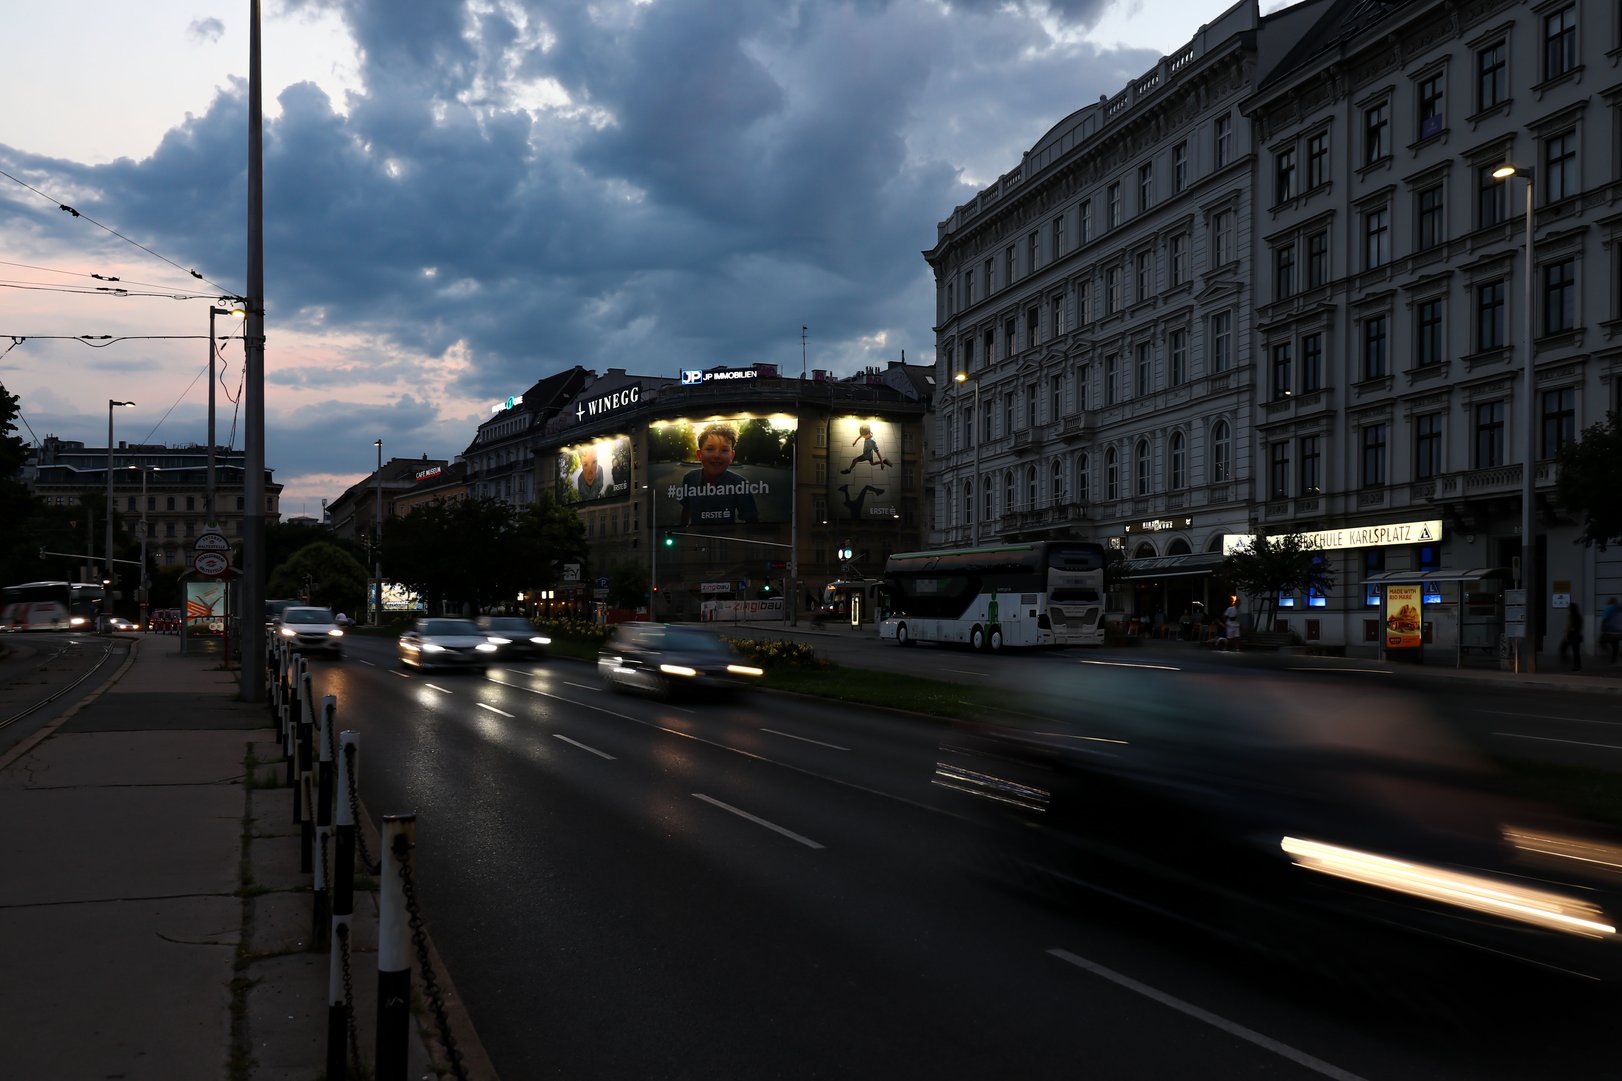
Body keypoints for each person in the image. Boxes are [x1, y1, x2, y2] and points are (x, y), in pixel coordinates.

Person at [678, 423, 759, 527]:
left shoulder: (740, 483)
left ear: (732, 456)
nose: (716, 455)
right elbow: (686, 509)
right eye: (710, 449)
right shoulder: (689, 478)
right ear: (699, 454)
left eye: (724, 450)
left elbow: (752, 521)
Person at [1561, 602, 1584, 672]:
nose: (1568, 608)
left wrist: (1566, 633)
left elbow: (1570, 626)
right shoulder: (1578, 616)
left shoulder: (1572, 616)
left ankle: (1576, 666)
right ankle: (1577, 665)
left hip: (1572, 635)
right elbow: (1579, 626)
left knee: (1564, 648)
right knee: (1576, 651)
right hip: (1576, 634)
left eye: (1569, 607)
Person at [1602, 597, 1622, 664]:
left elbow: (1605, 619)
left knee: (1602, 642)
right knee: (1615, 645)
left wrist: (1602, 628)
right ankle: (1614, 658)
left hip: (1610, 630)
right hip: (1619, 631)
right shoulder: (1619, 608)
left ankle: (1612, 655)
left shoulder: (1608, 607)